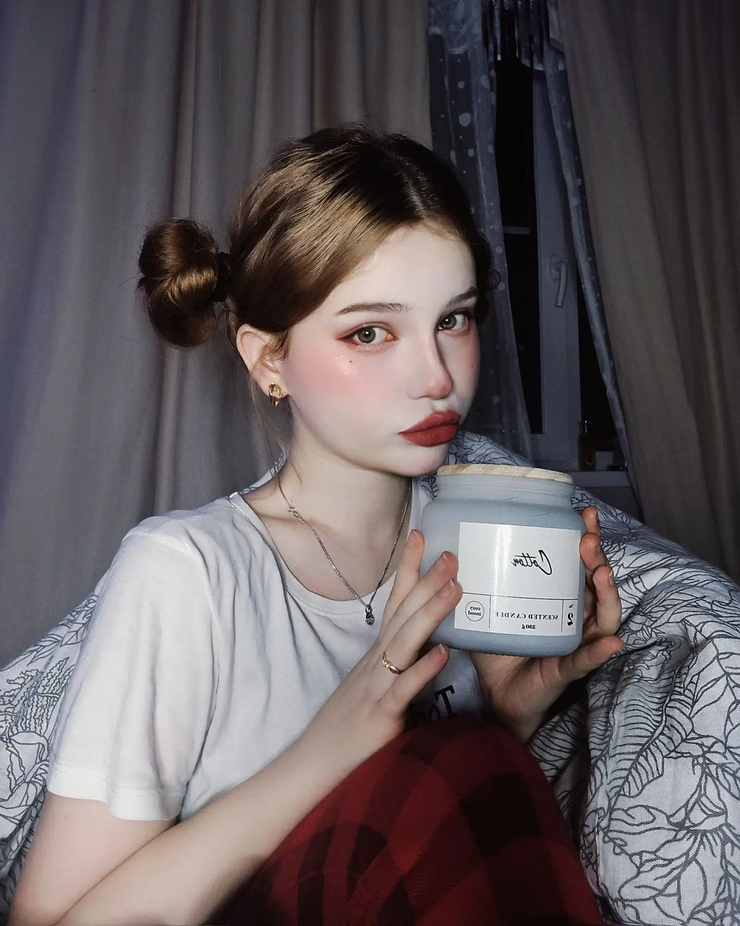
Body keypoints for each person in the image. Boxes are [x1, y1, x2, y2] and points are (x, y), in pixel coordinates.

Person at [7, 123, 622, 925]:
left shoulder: (480, 545)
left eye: (455, 319)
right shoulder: (185, 574)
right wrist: (328, 751)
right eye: (370, 332)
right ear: (269, 359)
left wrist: (511, 716)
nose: (436, 377)